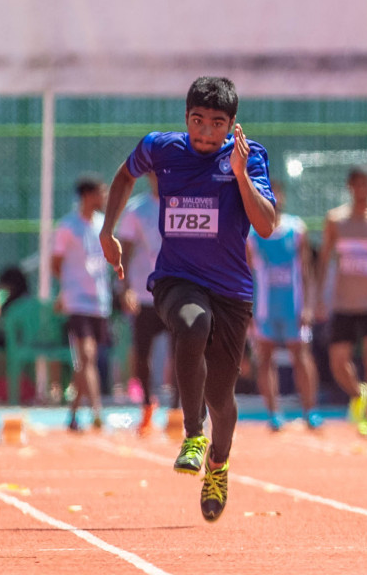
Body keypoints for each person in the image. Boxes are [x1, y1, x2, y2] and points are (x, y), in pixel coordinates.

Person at [100, 76, 278, 522]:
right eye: (197, 120)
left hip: (232, 290)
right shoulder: (162, 148)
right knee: (191, 323)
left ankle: (218, 463)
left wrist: (239, 174)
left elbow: (267, 225)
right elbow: (125, 174)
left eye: (216, 124)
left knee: (222, 395)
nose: (204, 132)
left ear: (231, 126)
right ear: (186, 117)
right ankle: (193, 435)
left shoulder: (249, 156)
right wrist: (107, 229)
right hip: (176, 279)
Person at [317, 167, 367, 436]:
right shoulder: (335, 220)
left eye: (366, 184)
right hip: (343, 302)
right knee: (338, 360)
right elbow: (325, 259)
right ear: (350, 187)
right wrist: (318, 297)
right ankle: (358, 395)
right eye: (357, 185)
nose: (361, 189)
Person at [248, 187, 320, 430]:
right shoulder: (251, 234)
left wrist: (309, 305)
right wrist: (248, 309)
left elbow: (307, 270)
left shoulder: (296, 229)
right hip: (264, 308)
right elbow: (247, 273)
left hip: (293, 306)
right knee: (265, 359)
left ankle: (310, 411)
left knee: (301, 356)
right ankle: (274, 414)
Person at [54, 176, 112, 433]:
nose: (105, 197)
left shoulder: (103, 225)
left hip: (100, 301)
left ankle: (74, 413)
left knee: (88, 361)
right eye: (101, 192)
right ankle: (97, 411)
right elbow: (55, 262)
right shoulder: (67, 227)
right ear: (88, 195)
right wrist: (66, 288)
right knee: (87, 355)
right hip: (77, 301)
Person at [116, 172, 167, 433]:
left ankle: (181, 410)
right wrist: (125, 289)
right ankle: (147, 404)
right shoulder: (137, 210)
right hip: (144, 294)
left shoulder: (184, 203)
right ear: (149, 176)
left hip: (175, 293)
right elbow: (124, 250)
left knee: (186, 352)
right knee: (141, 353)